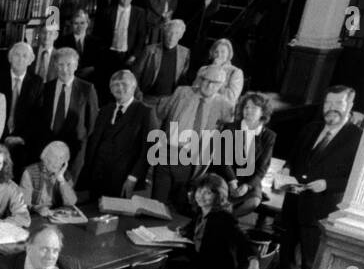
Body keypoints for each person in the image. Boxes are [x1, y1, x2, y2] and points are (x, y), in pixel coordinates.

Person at [274, 86, 362, 269]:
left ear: (349, 106)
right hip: (293, 202)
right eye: (328, 103)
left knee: (310, 264)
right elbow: (292, 159)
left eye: (338, 104)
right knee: (285, 258)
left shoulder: (356, 138)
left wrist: (327, 184)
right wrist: (285, 170)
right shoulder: (311, 128)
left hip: (320, 210)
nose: (331, 109)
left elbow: (356, 177)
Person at [164, 174, 257, 269]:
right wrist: (182, 232)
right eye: (199, 190)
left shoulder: (224, 219)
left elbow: (244, 242)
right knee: (166, 268)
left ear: (218, 196)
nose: (201, 195)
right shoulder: (202, 212)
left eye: (208, 192)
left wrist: (254, 260)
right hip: (204, 268)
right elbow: (193, 230)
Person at [154, 65, 233, 215]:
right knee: (157, 203)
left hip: (193, 159)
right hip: (169, 151)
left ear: (221, 85)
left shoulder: (225, 106)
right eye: (206, 80)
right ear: (200, 79)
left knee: (180, 207)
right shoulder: (182, 92)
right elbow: (160, 113)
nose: (209, 85)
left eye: (214, 82)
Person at [86, 70, 157, 198]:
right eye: (115, 84)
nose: (119, 88)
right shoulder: (105, 110)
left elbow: (149, 151)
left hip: (124, 180)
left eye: (124, 84)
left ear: (134, 87)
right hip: (97, 178)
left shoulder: (146, 112)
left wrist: (132, 178)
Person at [34, 46, 99, 186]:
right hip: (48, 148)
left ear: (76, 66)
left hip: (74, 151)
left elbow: (92, 124)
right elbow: (39, 120)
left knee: (66, 193)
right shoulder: (46, 88)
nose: (64, 69)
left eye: (69, 64)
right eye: (60, 65)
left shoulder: (87, 89)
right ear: (55, 66)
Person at [215, 91, 275, 218]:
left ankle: (227, 219)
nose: (248, 110)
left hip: (249, 180)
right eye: (246, 107)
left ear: (263, 112)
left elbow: (262, 167)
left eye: (254, 108)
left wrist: (247, 186)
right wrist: (232, 181)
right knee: (219, 197)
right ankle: (220, 219)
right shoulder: (230, 128)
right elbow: (222, 159)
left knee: (253, 202)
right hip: (227, 174)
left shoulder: (269, 136)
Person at [0, 42, 44, 169]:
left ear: (30, 61)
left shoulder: (37, 83)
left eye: (25, 56)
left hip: (22, 141)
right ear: (10, 58)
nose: (20, 59)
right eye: (17, 55)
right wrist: (0, 135)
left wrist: (21, 137)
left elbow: (37, 116)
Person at [132, 19, 192, 126]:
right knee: (147, 133)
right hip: (148, 99)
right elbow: (135, 74)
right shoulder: (150, 50)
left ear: (181, 36)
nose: (172, 36)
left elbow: (183, 78)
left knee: (163, 135)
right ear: (164, 32)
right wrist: (138, 95)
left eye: (176, 33)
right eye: (169, 32)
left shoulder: (185, 53)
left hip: (169, 101)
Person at [99, 0, 152, 89]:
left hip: (128, 56)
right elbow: (100, 34)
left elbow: (142, 36)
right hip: (109, 54)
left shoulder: (139, 13)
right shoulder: (107, 11)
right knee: (107, 83)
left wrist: (134, 55)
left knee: (125, 85)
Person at [18, 141, 78, 215]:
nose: (57, 162)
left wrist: (61, 180)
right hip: (34, 217)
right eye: (54, 157)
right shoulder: (30, 172)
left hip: (57, 216)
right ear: (45, 157)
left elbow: (71, 202)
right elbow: (23, 203)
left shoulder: (64, 174)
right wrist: (38, 209)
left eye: (61, 158)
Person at [54, 9, 101, 83]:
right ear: (71, 24)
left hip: (91, 78)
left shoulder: (97, 42)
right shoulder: (62, 41)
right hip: (68, 78)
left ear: (87, 24)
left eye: (82, 23)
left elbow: (100, 63)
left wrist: (91, 69)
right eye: (76, 23)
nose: (79, 27)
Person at [197, 38, 244, 107]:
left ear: (229, 54)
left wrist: (216, 77)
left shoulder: (236, 72)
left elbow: (231, 97)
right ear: (212, 53)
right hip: (201, 107)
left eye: (223, 52)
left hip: (221, 110)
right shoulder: (203, 69)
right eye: (216, 52)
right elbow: (195, 89)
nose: (219, 55)